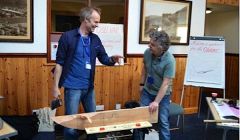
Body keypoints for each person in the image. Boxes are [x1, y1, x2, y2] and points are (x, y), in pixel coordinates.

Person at [51, 7, 123, 140]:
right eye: (95, 22)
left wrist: (112, 59)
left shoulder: (95, 39)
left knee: (92, 123)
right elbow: (59, 63)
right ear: (85, 20)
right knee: (70, 125)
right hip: (72, 87)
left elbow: (104, 58)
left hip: (89, 88)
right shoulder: (67, 37)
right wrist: (55, 87)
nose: (97, 25)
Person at [134, 30, 176, 140]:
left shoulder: (170, 61)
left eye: (152, 44)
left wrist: (156, 102)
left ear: (161, 48)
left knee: (163, 122)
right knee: (140, 120)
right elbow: (144, 69)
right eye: (150, 43)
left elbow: (166, 83)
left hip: (163, 95)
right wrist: (142, 84)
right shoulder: (147, 52)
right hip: (147, 91)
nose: (149, 46)